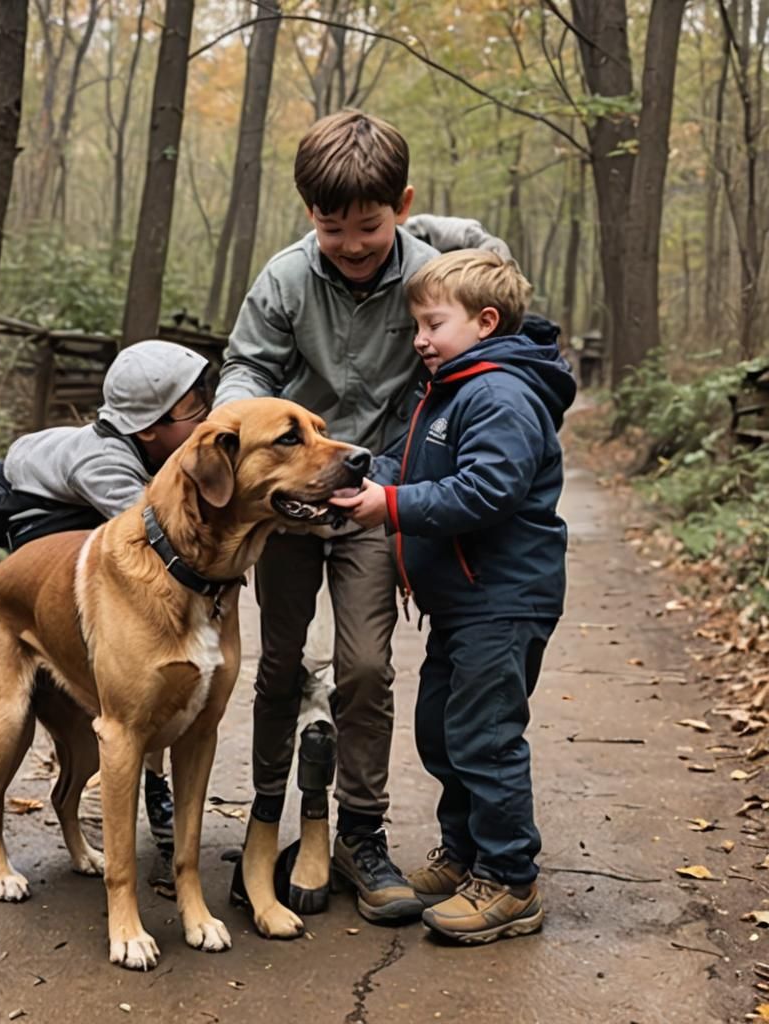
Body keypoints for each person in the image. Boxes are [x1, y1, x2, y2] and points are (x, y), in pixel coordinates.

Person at [215, 108, 448, 934]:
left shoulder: (431, 275)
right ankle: (267, 815)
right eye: (331, 225)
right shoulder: (283, 280)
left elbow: (466, 348)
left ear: (402, 206)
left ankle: (360, 832)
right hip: (288, 504)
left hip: (374, 497)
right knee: (277, 664)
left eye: (370, 226)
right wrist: (239, 427)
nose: (350, 243)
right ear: (308, 212)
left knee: (365, 669)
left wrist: (398, 483)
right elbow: (245, 364)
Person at [330, 249, 576, 943]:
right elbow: (404, 463)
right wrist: (350, 476)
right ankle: (465, 853)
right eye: (415, 326)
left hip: (503, 598)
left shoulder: (501, 393)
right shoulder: (451, 389)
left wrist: (393, 507)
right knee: (443, 728)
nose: (420, 339)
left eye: (433, 323)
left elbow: (488, 489)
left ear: (485, 320)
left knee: (485, 738)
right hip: (463, 602)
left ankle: (509, 879)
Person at [0, 339, 210, 873]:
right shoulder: (105, 465)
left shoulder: (137, 445)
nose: (207, 416)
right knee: (6, 733)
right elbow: (158, 534)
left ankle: (142, 789)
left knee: (132, 708)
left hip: (70, 542)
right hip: (39, 573)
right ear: (148, 428)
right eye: (196, 410)